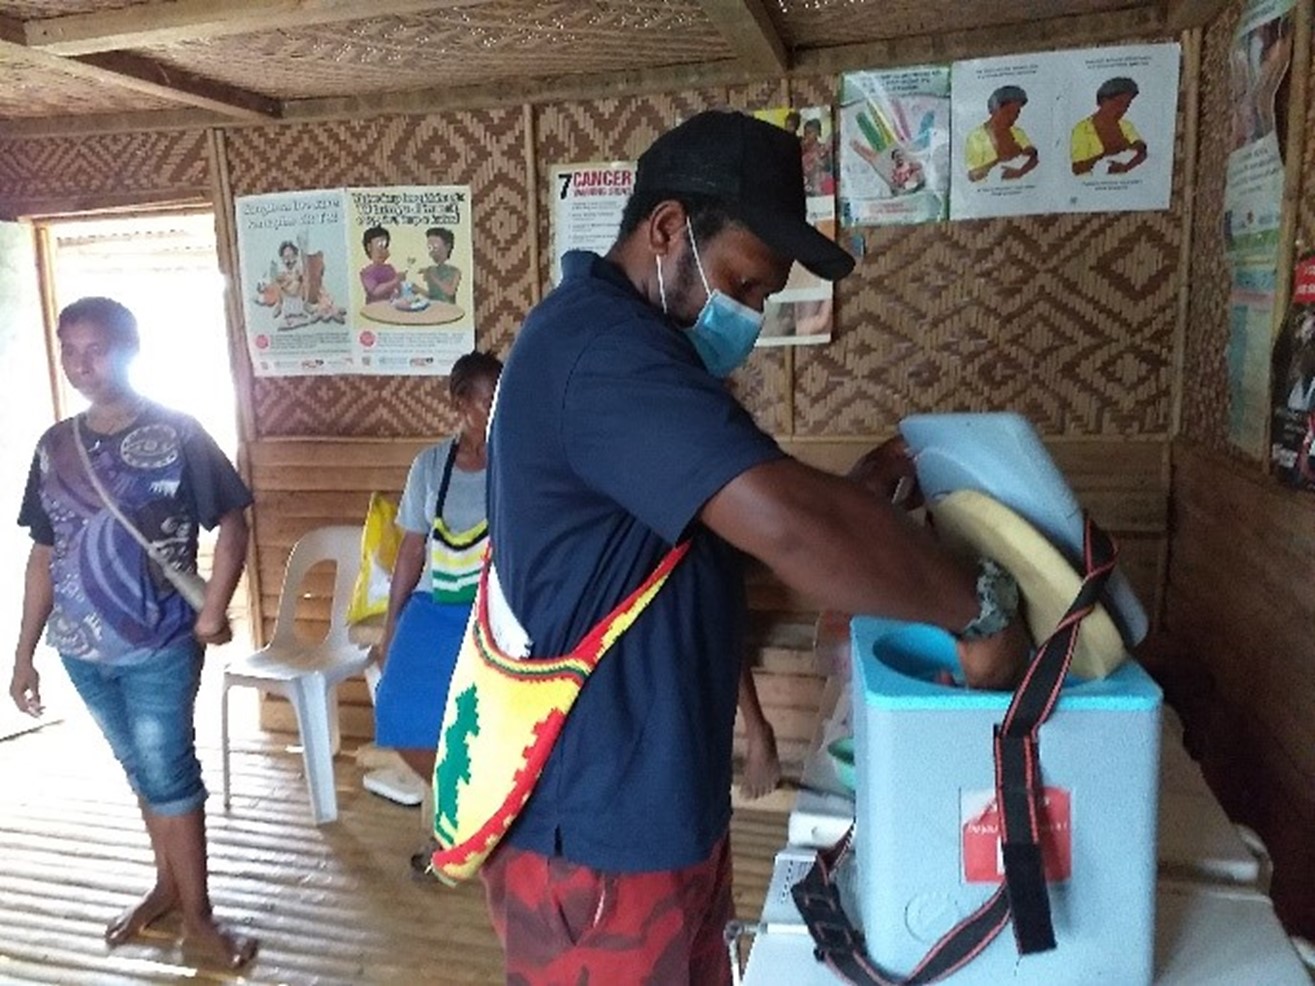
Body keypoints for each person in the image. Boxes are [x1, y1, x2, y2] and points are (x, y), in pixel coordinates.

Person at [479, 110, 1030, 984]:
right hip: (596, 834)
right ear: (666, 229)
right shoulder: (601, 350)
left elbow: (717, 541)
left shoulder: (646, 360)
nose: (751, 314)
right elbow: (784, 526)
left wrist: (851, 496)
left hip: (663, 807)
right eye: (742, 282)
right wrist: (980, 605)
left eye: (764, 296)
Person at [8, 297, 256, 970]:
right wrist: (24, 654)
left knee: (170, 774)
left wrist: (213, 609)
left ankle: (200, 921)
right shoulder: (54, 445)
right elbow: (44, 552)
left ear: (130, 348)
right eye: (69, 350)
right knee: (141, 773)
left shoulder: (178, 432)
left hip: (159, 645)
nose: (81, 364)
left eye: (96, 349)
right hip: (82, 650)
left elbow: (233, 521)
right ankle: (168, 891)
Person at [371, 352, 502, 821]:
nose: (494, 408)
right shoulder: (430, 465)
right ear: (459, 403)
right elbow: (411, 551)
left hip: (492, 611)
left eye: (500, 397)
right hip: (432, 605)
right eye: (486, 399)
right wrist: (391, 629)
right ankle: (463, 804)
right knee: (399, 708)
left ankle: (480, 813)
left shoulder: (518, 462)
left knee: (484, 717)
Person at [1070, 77, 1148, 177]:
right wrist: (1103, 155)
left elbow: (1142, 150)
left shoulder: (1125, 125)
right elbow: (1077, 168)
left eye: (1127, 105)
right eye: (1118, 103)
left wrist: (1126, 167)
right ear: (1103, 100)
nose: (1123, 109)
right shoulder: (1082, 129)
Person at [965, 85, 1039, 183]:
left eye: (1017, 113)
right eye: (1007, 112)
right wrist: (998, 160)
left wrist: (1020, 172)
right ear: (995, 110)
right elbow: (972, 176)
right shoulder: (976, 136)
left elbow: (1033, 157)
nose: (1013, 117)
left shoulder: (1017, 132)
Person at [359, 225, 407, 302]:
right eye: (379, 246)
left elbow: (397, 289)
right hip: (374, 308)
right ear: (369, 247)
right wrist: (395, 281)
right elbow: (375, 291)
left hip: (391, 306)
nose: (382, 251)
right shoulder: (366, 272)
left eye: (385, 247)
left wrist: (401, 285)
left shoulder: (389, 268)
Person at [416, 227, 462, 304]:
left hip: (449, 310)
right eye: (430, 248)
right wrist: (418, 289)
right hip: (434, 309)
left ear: (447, 247)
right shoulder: (431, 269)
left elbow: (450, 292)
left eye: (435, 248)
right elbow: (433, 296)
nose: (431, 252)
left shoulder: (455, 271)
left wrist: (433, 277)